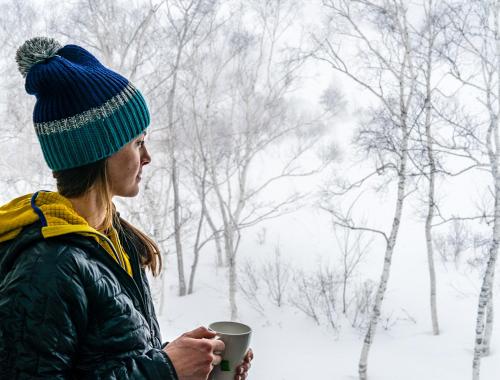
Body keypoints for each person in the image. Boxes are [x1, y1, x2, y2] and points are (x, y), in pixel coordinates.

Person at [0, 37, 253, 380]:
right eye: (137, 143)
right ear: (98, 151)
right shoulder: (46, 268)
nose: (147, 157)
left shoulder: (111, 239)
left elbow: (111, 362)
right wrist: (164, 369)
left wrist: (190, 363)